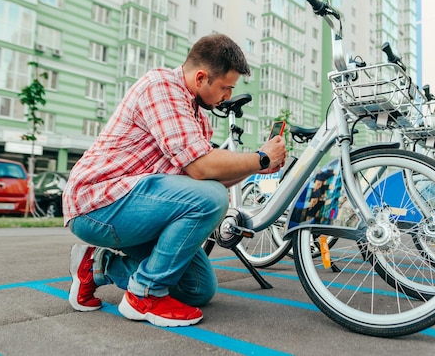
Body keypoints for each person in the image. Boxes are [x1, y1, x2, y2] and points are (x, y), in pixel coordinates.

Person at [63, 34, 287, 328]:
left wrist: (259, 166)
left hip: (136, 206)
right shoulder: (161, 88)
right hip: (97, 203)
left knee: (199, 289)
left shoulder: (198, 116)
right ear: (201, 77)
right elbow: (201, 169)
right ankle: (144, 295)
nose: (228, 97)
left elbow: (207, 177)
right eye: (225, 88)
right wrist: (260, 158)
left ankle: (97, 267)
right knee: (211, 198)